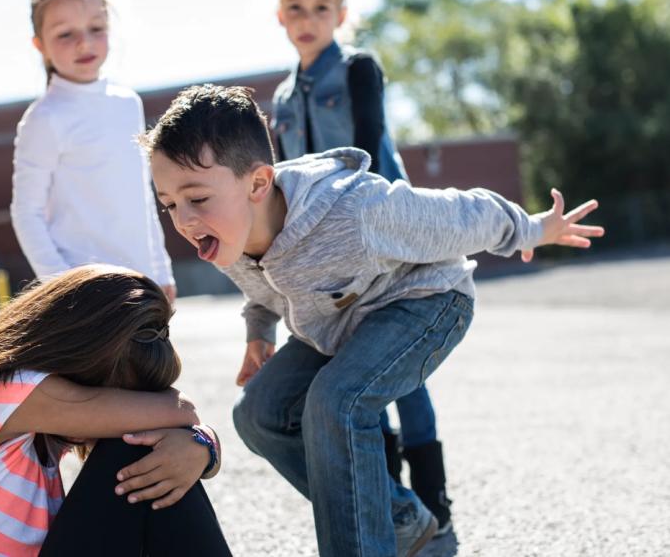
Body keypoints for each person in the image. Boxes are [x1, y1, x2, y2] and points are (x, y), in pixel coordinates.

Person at [144, 84, 603, 557]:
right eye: (169, 203)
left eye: (196, 198)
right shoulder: (226, 231)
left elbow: (464, 213)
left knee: (336, 401)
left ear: (258, 184)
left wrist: (532, 228)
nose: (183, 219)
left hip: (426, 302)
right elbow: (262, 290)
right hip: (340, 323)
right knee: (258, 414)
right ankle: (399, 518)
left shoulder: (356, 211)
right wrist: (258, 334)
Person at [270, 0, 451, 532]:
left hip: (385, 238)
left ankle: (434, 502)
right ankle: (395, 504)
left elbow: (370, 149)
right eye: (296, 8)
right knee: (355, 369)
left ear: (341, 16)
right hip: (325, 255)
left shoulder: (357, 69)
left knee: (404, 373)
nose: (308, 19)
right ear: (281, 17)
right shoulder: (280, 96)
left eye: (322, 8)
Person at [0, 264, 232, 556]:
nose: (123, 410)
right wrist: (202, 443)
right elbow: (181, 410)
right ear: (81, 355)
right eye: (116, 397)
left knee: (153, 454)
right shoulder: (7, 387)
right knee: (133, 447)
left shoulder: (29, 410)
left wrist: (201, 447)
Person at [11, 0, 176, 302]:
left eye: (96, 28)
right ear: (40, 45)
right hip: (86, 294)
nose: (84, 43)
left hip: (143, 282)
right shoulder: (44, 118)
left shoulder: (128, 103)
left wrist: (161, 269)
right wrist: (63, 285)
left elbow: (142, 196)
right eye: (65, 34)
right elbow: (25, 212)